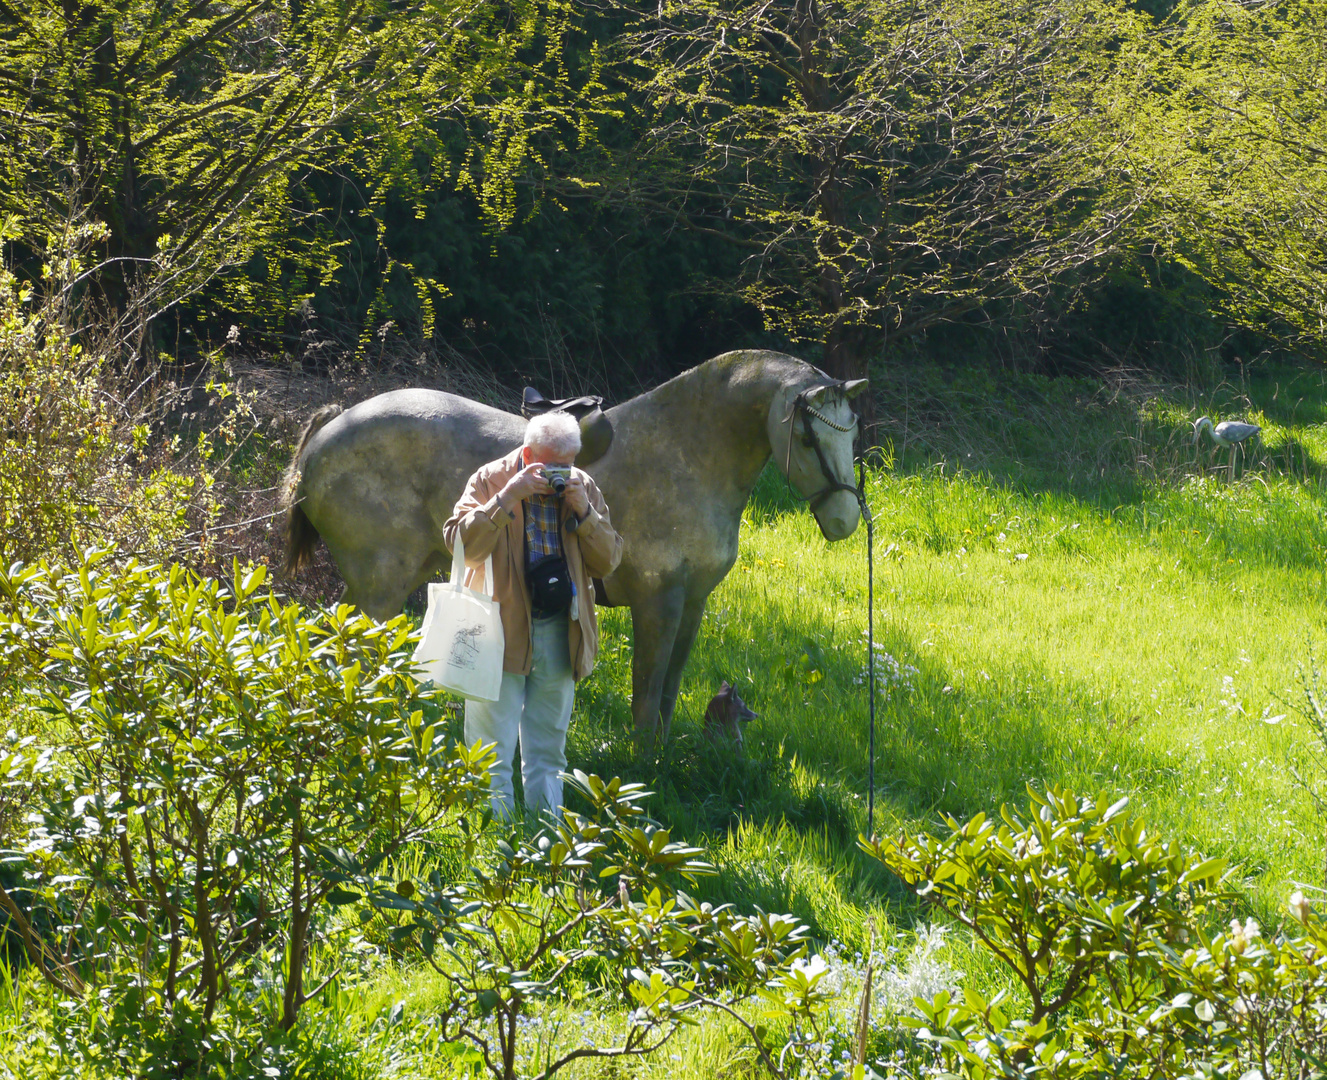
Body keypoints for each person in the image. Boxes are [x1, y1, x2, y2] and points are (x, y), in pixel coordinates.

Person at [443, 412, 624, 818]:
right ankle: (497, 848)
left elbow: (609, 560)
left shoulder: (583, 487)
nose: (559, 474)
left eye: (567, 465)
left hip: (561, 630)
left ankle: (547, 846)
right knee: (490, 750)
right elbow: (461, 546)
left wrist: (585, 514)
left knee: (548, 750)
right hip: (497, 633)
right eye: (549, 466)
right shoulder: (491, 479)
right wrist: (507, 498)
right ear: (527, 454)